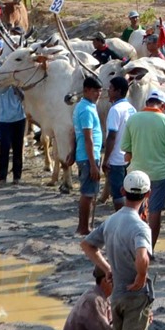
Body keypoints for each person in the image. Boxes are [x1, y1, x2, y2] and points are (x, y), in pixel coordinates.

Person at [80, 169, 155, 330]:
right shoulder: (140, 226)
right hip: (135, 296)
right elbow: (143, 257)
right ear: (147, 194)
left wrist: (106, 268)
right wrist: (142, 277)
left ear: (123, 192)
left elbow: (87, 245)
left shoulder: (112, 220)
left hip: (118, 295)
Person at [121, 88, 165, 247]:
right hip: (159, 174)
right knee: (155, 212)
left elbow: (125, 148)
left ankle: (132, 246)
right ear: (164, 106)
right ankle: (149, 249)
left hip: (136, 173)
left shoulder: (133, 119)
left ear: (147, 103)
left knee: (134, 211)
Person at [73, 75, 104, 235]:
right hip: (88, 157)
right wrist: (93, 165)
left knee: (90, 193)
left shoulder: (87, 106)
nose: (98, 94)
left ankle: (85, 226)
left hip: (87, 155)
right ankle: (83, 227)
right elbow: (87, 138)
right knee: (88, 194)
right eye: (95, 91)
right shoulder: (85, 109)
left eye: (100, 91)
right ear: (86, 91)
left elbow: (75, 134)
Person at [0, 72, 28, 184]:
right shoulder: (0, 84)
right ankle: (2, 177)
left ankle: (17, 177)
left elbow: (23, 97)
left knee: (18, 148)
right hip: (4, 119)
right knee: (4, 148)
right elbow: (0, 90)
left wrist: (16, 86)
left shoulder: (18, 84)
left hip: (19, 118)